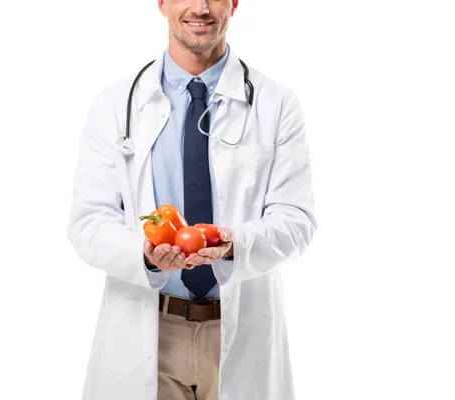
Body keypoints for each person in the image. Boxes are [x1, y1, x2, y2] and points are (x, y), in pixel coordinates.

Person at [67, 0, 317, 399]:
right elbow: (88, 223)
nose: (200, 7)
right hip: (148, 332)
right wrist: (145, 254)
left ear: (234, 3)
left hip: (238, 332)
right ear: (162, 3)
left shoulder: (276, 104)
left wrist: (237, 246)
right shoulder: (115, 105)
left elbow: (297, 219)